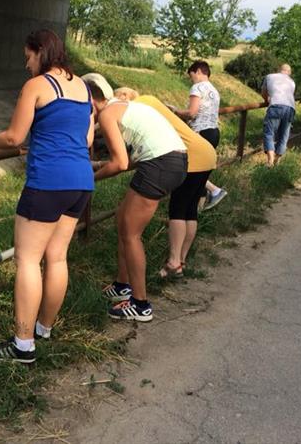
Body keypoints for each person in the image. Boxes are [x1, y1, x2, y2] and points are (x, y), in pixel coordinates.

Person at [0, 29, 94, 364]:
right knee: (57, 257)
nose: (27, 65)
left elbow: (13, 137)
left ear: (40, 52)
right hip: (81, 181)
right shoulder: (83, 87)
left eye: (27, 57)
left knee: (27, 260)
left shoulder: (36, 86)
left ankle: (23, 345)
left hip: (48, 182)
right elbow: (87, 137)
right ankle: (44, 329)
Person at [83, 74, 187, 323]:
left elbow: (119, 163)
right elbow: (125, 158)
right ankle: (122, 285)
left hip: (160, 164)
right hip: (171, 161)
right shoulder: (124, 106)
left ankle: (140, 304)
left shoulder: (107, 115)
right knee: (122, 219)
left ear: (91, 101)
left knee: (131, 233)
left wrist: (89, 178)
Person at [115, 88, 217, 279]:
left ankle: (173, 262)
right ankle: (181, 260)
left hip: (190, 156)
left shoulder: (137, 106)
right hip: (206, 152)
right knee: (190, 210)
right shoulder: (152, 101)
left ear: (124, 97)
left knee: (177, 209)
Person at [170, 60, 227, 211]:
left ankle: (214, 190)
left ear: (198, 72)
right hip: (213, 131)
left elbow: (192, 113)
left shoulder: (197, 87)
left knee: (191, 169)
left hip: (200, 133)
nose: (191, 79)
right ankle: (198, 208)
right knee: (200, 170)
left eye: (192, 76)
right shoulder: (214, 90)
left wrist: (175, 110)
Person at [261, 63, 296, 167]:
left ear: (279, 70)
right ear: (289, 72)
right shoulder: (292, 82)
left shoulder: (270, 76)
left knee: (269, 132)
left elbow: (264, 92)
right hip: (290, 108)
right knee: (284, 135)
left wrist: (266, 100)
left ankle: (270, 160)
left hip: (275, 105)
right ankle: (277, 161)